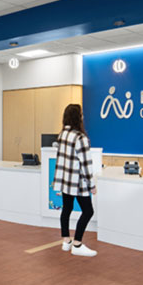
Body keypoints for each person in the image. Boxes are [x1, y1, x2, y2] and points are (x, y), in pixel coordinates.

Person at [52, 103, 97, 257]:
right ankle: (77, 243)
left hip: (65, 180)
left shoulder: (62, 135)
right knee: (88, 211)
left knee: (67, 208)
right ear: (78, 117)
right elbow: (86, 163)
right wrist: (92, 184)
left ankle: (66, 241)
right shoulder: (80, 137)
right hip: (78, 182)